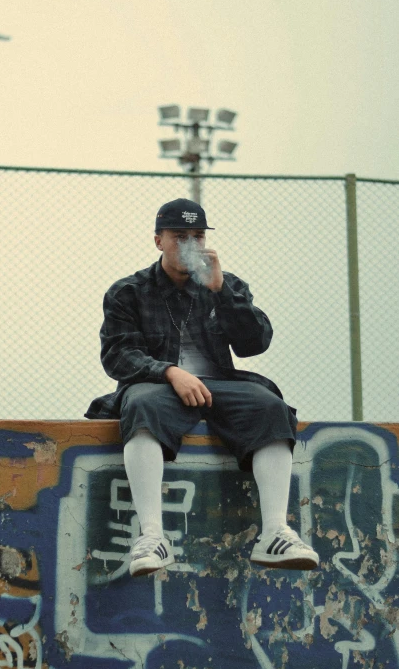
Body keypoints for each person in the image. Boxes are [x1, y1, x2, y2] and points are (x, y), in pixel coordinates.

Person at [85, 198, 319, 577]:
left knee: (269, 405)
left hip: (220, 385)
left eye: (197, 236)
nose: (190, 245)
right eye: (180, 236)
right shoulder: (128, 291)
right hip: (159, 387)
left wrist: (222, 291)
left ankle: (275, 532)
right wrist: (169, 372)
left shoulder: (225, 284)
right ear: (158, 240)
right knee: (141, 404)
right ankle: (152, 537)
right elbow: (118, 355)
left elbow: (254, 343)